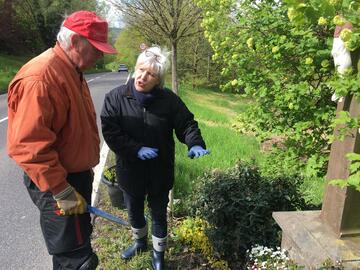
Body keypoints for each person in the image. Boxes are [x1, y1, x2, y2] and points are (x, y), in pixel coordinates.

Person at [7, 10, 117, 270]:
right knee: (76, 260)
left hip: (73, 178)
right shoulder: (41, 78)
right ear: (76, 41)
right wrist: (62, 190)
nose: (100, 55)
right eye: (96, 48)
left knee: (78, 249)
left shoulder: (71, 68)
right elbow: (28, 145)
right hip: (59, 181)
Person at [101, 46, 210, 270]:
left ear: (158, 79)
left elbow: (187, 124)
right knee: (134, 211)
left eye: (150, 74)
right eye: (141, 70)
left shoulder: (168, 100)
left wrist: (195, 143)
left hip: (160, 171)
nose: (143, 76)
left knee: (159, 213)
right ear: (136, 68)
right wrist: (135, 149)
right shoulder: (115, 97)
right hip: (130, 170)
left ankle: (158, 254)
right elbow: (111, 132)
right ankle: (140, 242)